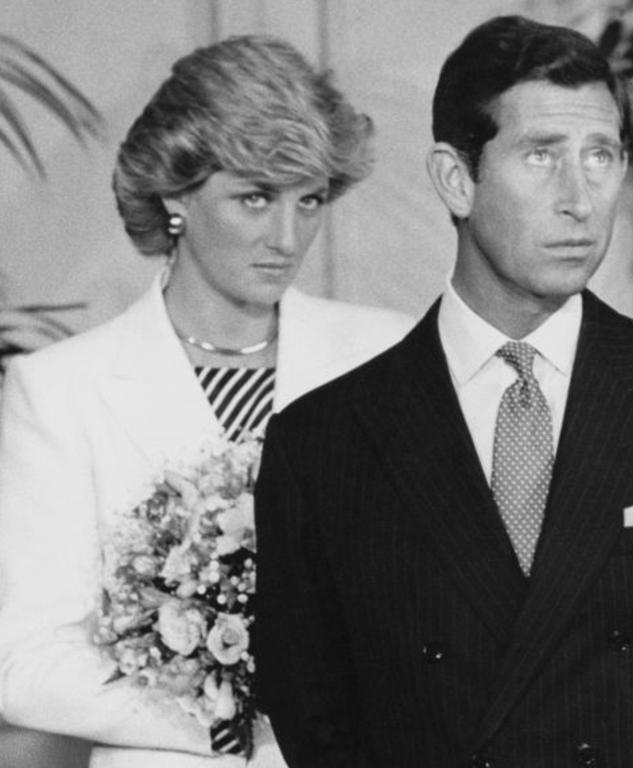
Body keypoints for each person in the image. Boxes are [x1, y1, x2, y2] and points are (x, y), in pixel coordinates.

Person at [254, 14, 633, 768]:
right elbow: (316, 720)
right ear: (457, 179)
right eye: (541, 156)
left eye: (602, 155)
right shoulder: (322, 445)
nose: (580, 197)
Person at [0, 34, 412, 768]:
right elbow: (26, 664)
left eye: (309, 200)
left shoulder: (392, 358)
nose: (287, 237)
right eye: (255, 198)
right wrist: (232, 722)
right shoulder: (59, 391)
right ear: (175, 196)